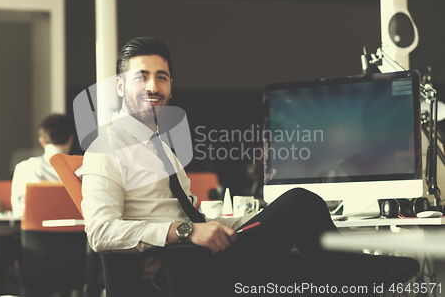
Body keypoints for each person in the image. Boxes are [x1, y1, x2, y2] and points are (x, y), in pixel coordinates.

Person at [78, 37, 419, 296]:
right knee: (300, 202)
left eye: (162, 77)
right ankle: (368, 271)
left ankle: (367, 276)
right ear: (121, 85)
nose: (153, 87)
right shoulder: (105, 146)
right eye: (142, 77)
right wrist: (183, 232)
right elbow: (100, 232)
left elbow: (188, 215)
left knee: (309, 270)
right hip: (177, 270)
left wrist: (242, 220)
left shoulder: (159, 145)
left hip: (201, 256)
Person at [11, 113, 75, 218]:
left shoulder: (24, 168)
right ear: (71, 138)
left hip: (35, 233)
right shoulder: (83, 169)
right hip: (76, 233)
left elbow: (18, 213)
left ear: (42, 141)